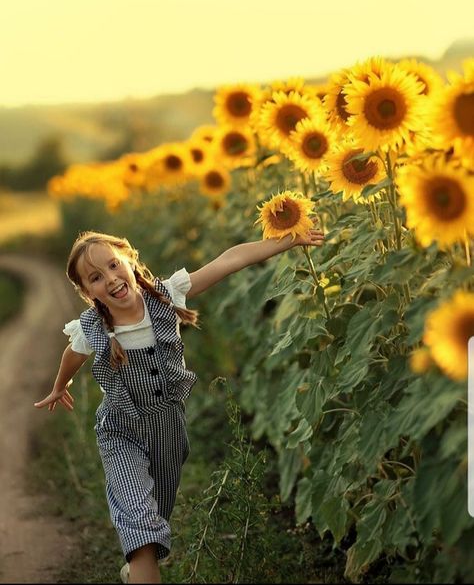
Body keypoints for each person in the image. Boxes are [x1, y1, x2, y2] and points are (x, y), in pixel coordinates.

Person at [34, 225, 325, 584]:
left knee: (157, 515)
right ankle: (141, 562)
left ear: (129, 258)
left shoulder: (166, 295)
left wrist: (288, 240)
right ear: (85, 291)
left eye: (112, 265)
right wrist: (60, 385)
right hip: (120, 430)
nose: (109, 279)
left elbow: (228, 261)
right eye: (95, 277)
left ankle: (137, 567)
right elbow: (72, 354)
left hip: (168, 429)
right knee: (140, 521)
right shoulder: (91, 327)